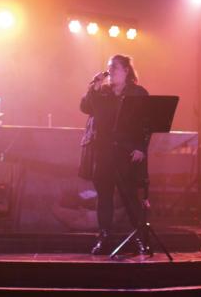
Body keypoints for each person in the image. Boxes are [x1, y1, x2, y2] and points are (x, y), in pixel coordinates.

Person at [80, 54, 150, 255]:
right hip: (104, 152)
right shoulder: (102, 93)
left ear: (126, 70)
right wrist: (92, 87)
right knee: (104, 198)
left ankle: (140, 238)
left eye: (115, 68)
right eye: (109, 67)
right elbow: (85, 107)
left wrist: (141, 148)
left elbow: (147, 125)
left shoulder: (138, 93)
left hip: (127, 154)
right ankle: (104, 237)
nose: (110, 71)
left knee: (130, 197)